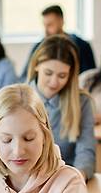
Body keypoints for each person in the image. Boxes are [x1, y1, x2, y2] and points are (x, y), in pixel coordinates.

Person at [27, 35, 96, 180]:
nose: (54, 82)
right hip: (24, 182)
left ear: (71, 75)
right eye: (48, 73)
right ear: (37, 66)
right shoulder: (16, 99)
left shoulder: (82, 102)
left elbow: (86, 152)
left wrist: (77, 178)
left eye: (62, 75)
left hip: (64, 181)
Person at [20, 5, 95, 80]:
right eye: (44, 25)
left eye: (50, 25)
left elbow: (90, 76)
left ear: (61, 21)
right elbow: (25, 76)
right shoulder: (39, 47)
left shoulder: (81, 46)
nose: (46, 30)